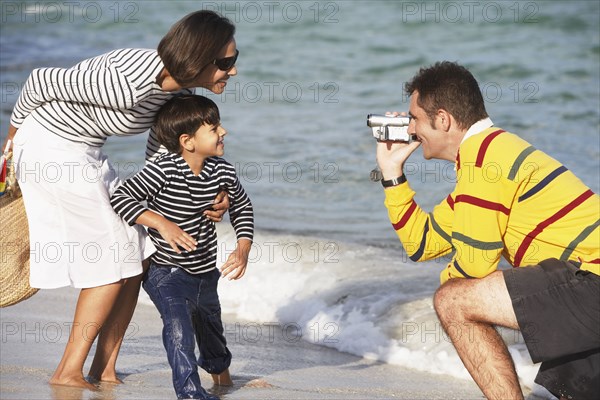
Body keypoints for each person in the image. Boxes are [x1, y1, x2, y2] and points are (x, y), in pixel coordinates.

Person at [5, 10, 238, 390]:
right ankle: (67, 370)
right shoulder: (128, 81)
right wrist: (10, 145)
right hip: (49, 145)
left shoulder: (181, 94)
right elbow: (40, 81)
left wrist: (208, 193)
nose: (233, 71)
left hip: (85, 151)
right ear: (198, 58)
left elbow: (163, 152)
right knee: (112, 254)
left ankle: (104, 369)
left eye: (234, 59)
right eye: (226, 62)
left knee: (138, 250)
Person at [375, 61, 599, 399]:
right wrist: (392, 172)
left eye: (415, 118)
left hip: (589, 280)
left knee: (452, 301)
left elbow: (474, 268)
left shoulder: (486, 160)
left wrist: (447, 300)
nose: (410, 128)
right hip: (583, 280)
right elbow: (421, 244)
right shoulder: (486, 159)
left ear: (443, 119)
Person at [110, 94, 254, 400]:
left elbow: (242, 207)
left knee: (212, 332)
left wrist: (243, 248)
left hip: (205, 274)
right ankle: (190, 394)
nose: (223, 132)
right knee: (179, 331)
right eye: (214, 128)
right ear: (187, 141)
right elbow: (120, 197)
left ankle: (223, 380)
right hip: (166, 273)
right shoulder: (162, 169)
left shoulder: (222, 170)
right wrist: (161, 223)